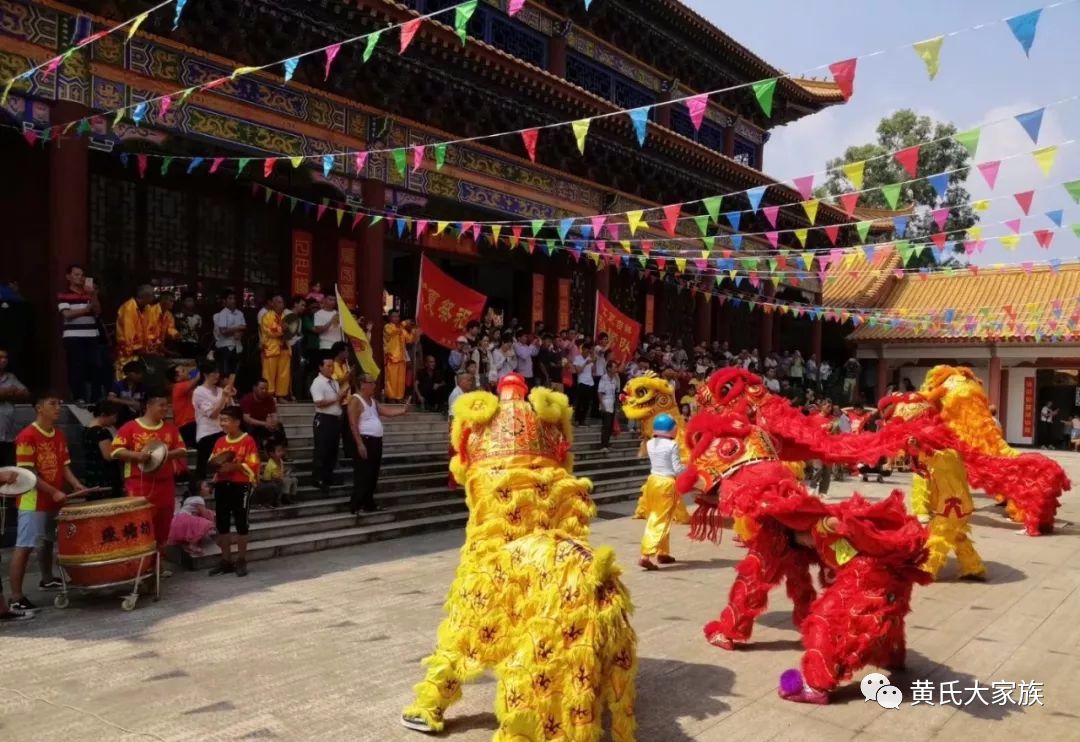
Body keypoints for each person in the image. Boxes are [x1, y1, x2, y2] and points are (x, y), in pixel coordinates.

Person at [8, 392, 87, 613]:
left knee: (49, 540)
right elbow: (29, 474)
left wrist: (77, 485)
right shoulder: (26, 436)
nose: (58, 408)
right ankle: (16, 597)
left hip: (55, 496)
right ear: (39, 408)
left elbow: (64, 466)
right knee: (24, 546)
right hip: (33, 499)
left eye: (59, 404)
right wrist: (53, 491)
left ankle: (47, 578)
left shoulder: (59, 434)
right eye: (52, 404)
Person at [110, 393, 187, 566]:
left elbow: (182, 450)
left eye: (167, 405)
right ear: (148, 406)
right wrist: (137, 455)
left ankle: (158, 565)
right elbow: (115, 451)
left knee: (163, 524)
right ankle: (141, 565)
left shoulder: (170, 428)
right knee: (140, 523)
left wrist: (163, 455)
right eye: (161, 405)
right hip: (139, 483)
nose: (165, 409)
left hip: (165, 484)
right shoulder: (130, 427)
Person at [207, 406, 260, 576]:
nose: (222, 423)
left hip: (240, 485)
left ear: (237, 422)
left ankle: (241, 560)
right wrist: (215, 474)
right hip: (222, 485)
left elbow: (254, 464)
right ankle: (226, 560)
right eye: (221, 420)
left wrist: (235, 466)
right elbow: (213, 462)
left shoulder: (248, 440)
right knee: (222, 523)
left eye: (226, 420)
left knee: (241, 523)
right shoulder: (220, 442)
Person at [347, 371, 409, 514]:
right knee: (363, 473)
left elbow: (385, 411)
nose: (374, 385)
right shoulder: (356, 400)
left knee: (373, 473)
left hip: (376, 441)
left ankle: (369, 503)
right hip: (365, 440)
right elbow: (353, 424)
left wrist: (402, 411)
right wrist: (359, 444)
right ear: (362, 384)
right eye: (371, 383)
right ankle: (356, 504)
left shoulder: (373, 401)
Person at [638, 413, 690, 570]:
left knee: (659, 516)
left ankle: (663, 553)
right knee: (660, 519)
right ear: (671, 429)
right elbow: (677, 469)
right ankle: (646, 554)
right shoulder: (672, 445)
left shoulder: (650, 443)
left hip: (652, 481)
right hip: (666, 483)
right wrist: (690, 468)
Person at [57, 264, 105, 403]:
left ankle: (95, 398)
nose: (80, 277)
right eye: (76, 274)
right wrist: (86, 309)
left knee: (95, 367)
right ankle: (79, 397)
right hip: (73, 337)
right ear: (68, 277)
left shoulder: (89, 294)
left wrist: (93, 295)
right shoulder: (63, 294)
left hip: (91, 335)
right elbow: (67, 314)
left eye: (82, 275)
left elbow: (98, 312)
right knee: (77, 367)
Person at [192, 361, 234, 482]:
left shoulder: (221, 390)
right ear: (205, 374)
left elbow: (231, 411)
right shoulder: (199, 391)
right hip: (207, 432)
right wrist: (223, 397)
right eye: (213, 373)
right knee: (203, 467)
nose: (217, 375)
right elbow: (212, 414)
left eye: (217, 372)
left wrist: (229, 396)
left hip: (223, 430)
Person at [310, 352, 346, 494]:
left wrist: (340, 400)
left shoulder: (334, 382)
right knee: (322, 450)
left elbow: (336, 400)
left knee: (332, 450)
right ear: (321, 367)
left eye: (332, 366)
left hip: (335, 419)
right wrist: (337, 398)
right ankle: (318, 478)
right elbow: (319, 402)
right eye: (328, 366)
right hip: (324, 419)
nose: (331, 369)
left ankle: (328, 476)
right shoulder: (317, 382)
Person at [81, 400, 122, 500]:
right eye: (114, 417)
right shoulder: (101, 432)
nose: (115, 421)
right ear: (103, 415)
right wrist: (124, 452)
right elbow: (109, 456)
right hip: (104, 480)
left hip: (92, 477)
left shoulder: (86, 430)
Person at [114, 284, 155, 379]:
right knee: (125, 377)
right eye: (153, 295)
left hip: (139, 350)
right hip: (126, 350)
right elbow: (128, 334)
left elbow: (148, 329)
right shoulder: (128, 308)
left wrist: (149, 345)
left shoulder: (147, 308)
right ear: (145, 296)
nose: (154, 298)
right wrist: (139, 348)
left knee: (136, 379)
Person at [167, 483, 216, 556]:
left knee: (195, 523)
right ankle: (192, 544)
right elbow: (205, 514)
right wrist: (212, 519)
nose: (208, 488)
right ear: (200, 490)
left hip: (178, 519)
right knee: (206, 523)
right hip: (186, 520)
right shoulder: (199, 499)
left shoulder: (188, 499)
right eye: (206, 486)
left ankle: (187, 542)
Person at [0, 347, 29, 467]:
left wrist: (7, 393)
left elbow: (26, 393)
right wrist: (10, 391)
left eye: (5, 357)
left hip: (8, 434)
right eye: (0, 357)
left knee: (9, 469)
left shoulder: (11, 377)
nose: (4, 360)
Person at [259, 293, 291, 400]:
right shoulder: (267, 316)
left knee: (283, 374)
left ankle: (280, 396)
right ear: (272, 304)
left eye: (282, 302)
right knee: (269, 374)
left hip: (284, 348)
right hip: (271, 349)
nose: (281, 304)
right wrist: (282, 328)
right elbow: (270, 331)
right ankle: (269, 396)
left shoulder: (286, 317)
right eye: (278, 302)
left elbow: (292, 331)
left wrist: (287, 330)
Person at [239, 379, 282, 452]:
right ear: (254, 388)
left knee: (279, 427)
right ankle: (254, 450)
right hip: (248, 425)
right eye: (262, 388)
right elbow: (246, 419)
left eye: (266, 389)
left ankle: (279, 451)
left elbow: (274, 414)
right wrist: (264, 423)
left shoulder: (269, 399)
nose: (264, 391)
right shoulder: (247, 399)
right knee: (250, 427)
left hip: (262, 423)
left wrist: (274, 422)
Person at [212, 291, 246, 378]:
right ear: (225, 301)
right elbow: (223, 331)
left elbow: (244, 327)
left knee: (235, 374)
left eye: (234, 298)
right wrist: (237, 328)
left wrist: (240, 333)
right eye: (230, 298)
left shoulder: (240, 313)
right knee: (225, 374)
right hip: (225, 346)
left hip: (237, 346)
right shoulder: (222, 314)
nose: (233, 301)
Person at [383, 311, 415, 402]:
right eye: (394, 316)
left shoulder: (401, 329)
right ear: (389, 318)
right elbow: (393, 332)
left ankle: (399, 397)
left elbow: (409, 339)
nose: (396, 318)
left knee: (400, 380)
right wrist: (403, 324)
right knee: (392, 379)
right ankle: (391, 397)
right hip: (392, 358)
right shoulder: (387, 327)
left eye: (397, 316)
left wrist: (413, 330)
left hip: (401, 358)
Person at [257, 439, 296, 508]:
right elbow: (275, 477)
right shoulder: (271, 464)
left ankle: (288, 496)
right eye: (279, 451)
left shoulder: (280, 460)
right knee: (284, 481)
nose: (281, 453)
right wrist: (285, 475)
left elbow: (280, 471)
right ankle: (279, 499)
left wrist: (287, 472)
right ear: (272, 454)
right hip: (270, 481)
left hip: (278, 478)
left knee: (294, 479)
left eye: (282, 451)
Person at [108, 361, 146, 425]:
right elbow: (110, 398)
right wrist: (131, 403)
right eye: (137, 373)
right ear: (128, 373)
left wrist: (140, 405)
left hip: (138, 418)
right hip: (121, 418)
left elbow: (146, 403)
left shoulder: (143, 387)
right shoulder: (118, 385)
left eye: (141, 373)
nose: (140, 376)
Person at [171, 364, 200, 448]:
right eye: (183, 371)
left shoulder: (184, 386)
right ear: (177, 378)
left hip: (189, 423)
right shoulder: (179, 386)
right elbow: (197, 378)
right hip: (186, 424)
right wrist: (202, 368)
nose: (187, 372)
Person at [146, 292, 179, 356]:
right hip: (148, 349)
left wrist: (175, 334)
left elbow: (170, 328)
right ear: (163, 300)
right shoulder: (150, 311)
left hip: (160, 348)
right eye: (171, 301)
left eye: (173, 301)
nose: (173, 303)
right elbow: (148, 333)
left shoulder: (169, 315)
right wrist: (160, 346)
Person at [598, 360, 621, 451]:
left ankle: (607, 444)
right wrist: (602, 405)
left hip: (612, 404)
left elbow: (617, 391)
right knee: (606, 425)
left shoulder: (615, 379)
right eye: (614, 367)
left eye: (616, 367)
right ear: (609, 368)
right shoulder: (604, 378)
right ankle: (603, 445)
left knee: (610, 426)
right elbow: (599, 392)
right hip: (605, 404)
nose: (616, 369)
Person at [572, 342, 596, 426]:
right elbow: (578, 371)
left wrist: (594, 361)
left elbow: (594, 371)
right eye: (586, 350)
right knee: (579, 402)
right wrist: (585, 363)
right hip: (581, 382)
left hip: (590, 383)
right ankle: (576, 420)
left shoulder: (590, 358)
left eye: (589, 351)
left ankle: (583, 420)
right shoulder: (577, 358)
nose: (587, 352)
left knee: (587, 403)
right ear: (582, 350)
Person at [174, 292, 203, 358]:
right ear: (183, 302)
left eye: (192, 301)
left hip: (195, 343)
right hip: (182, 343)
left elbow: (199, 329)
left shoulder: (198, 316)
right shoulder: (178, 316)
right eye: (188, 301)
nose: (190, 303)